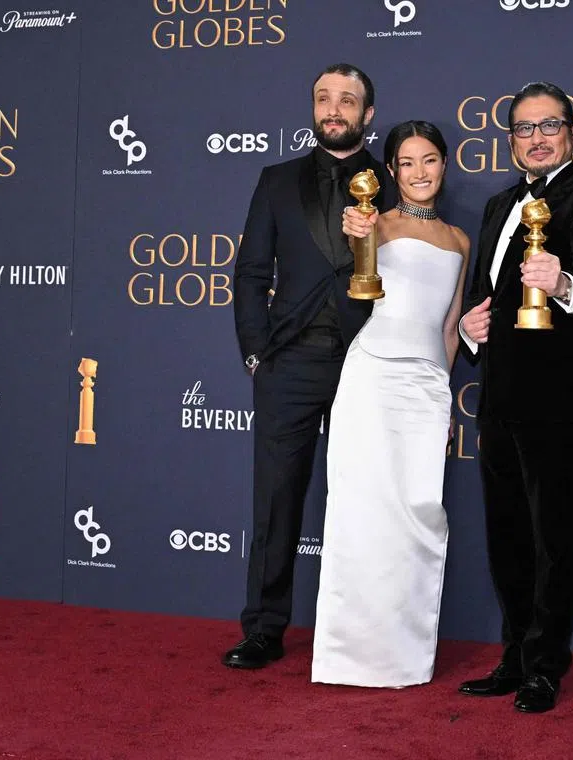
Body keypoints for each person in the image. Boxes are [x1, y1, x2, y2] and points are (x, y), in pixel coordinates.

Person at [456, 82, 573, 713]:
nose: (537, 137)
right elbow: (486, 293)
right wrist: (474, 328)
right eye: (524, 129)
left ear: (572, 132)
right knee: (507, 535)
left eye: (549, 125)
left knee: (554, 539)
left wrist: (565, 283)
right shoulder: (500, 204)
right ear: (510, 141)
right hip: (496, 395)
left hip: (555, 399)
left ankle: (547, 664)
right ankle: (514, 655)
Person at [224, 63, 392, 670]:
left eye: (348, 100)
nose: (334, 108)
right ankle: (264, 628)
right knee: (275, 499)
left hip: (366, 358)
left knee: (369, 499)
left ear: (367, 114)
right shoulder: (276, 179)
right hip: (290, 358)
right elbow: (249, 273)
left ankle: (368, 628)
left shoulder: (396, 183)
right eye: (324, 97)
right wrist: (255, 348)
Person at [311, 121, 469, 688]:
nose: (419, 172)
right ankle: (349, 655)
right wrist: (359, 232)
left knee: (418, 516)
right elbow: (361, 269)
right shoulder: (373, 220)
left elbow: (450, 327)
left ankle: (405, 656)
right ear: (391, 171)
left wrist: (442, 393)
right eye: (406, 162)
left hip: (426, 386)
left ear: (444, 165)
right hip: (372, 374)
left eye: (429, 160)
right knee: (361, 510)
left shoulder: (459, 240)